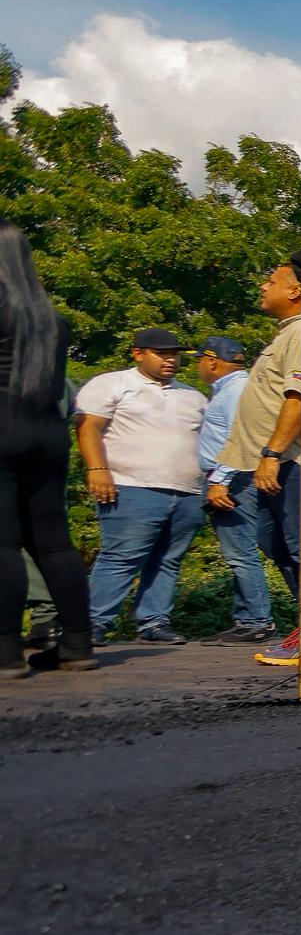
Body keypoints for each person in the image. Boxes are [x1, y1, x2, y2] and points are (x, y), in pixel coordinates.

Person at [210, 259, 301, 667]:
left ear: (295, 291)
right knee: (274, 542)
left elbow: (300, 398)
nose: (262, 284)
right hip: (274, 463)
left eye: (271, 279)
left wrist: (272, 454)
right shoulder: (286, 335)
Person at [76, 324, 208, 644]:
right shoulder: (112, 384)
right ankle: (92, 623)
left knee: (167, 559)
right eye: (161, 354)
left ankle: (154, 622)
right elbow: (88, 426)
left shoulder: (193, 396)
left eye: (174, 355)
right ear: (138, 353)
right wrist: (97, 469)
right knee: (121, 556)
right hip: (132, 486)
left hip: (188, 490)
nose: (170, 361)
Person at [2, 225, 94, 677]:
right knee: (53, 542)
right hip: (47, 433)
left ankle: (5, 653)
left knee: (3, 541)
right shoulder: (50, 319)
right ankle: (78, 644)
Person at [193, 334, 276, 644]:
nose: (199, 366)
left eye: (200, 360)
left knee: (240, 553)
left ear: (212, 361)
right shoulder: (236, 387)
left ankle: (256, 621)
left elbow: (242, 437)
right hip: (235, 477)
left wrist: (219, 480)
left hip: (235, 479)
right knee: (239, 552)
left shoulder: (234, 390)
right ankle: (247, 618)